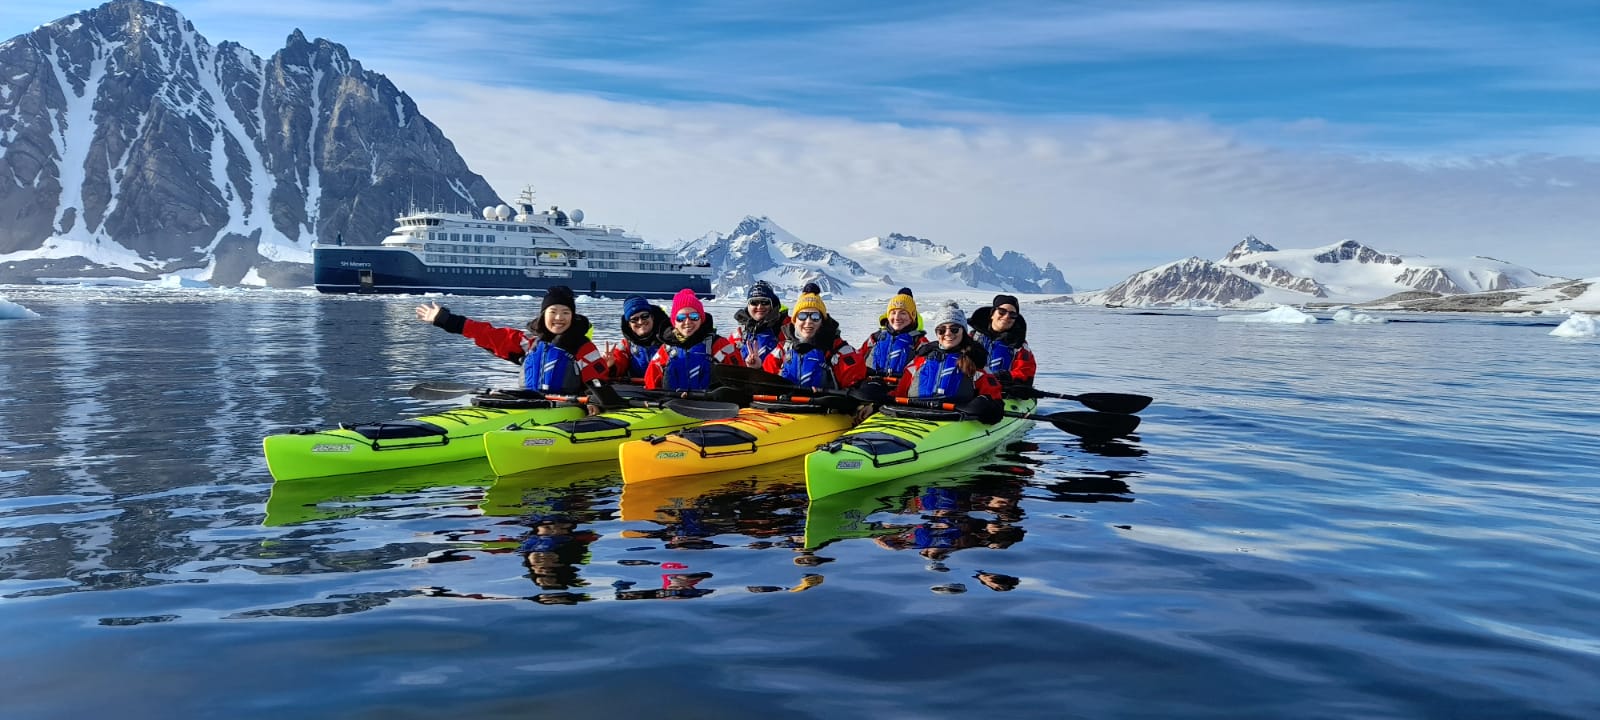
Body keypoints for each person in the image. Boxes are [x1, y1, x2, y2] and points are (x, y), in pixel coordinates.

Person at [415, 285, 607, 395]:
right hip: (531, 404)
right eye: (553, 312)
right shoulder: (529, 344)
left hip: (569, 407)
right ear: (543, 315)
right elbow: (487, 334)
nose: (559, 317)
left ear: (573, 316)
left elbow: (598, 381)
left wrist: (593, 402)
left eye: (566, 312)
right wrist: (445, 320)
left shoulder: (583, 347)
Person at [892, 301, 1003, 418]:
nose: (948, 334)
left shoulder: (975, 359)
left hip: (953, 418)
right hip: (915, 413)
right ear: (936, 333)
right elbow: (900, 391)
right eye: (942, 330)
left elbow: (994, 397)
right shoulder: (922, 358)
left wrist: (986, 405)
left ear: (963, 331)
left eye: (954, 329)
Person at [762, 291, 866, 390]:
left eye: (815, 316)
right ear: (794, 321)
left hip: (826, 406)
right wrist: (756, 368)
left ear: (822, 321)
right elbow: (767, 377)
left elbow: (856, 385)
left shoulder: (839, 350)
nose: (808, 321)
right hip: (786, 405)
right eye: (802, 316)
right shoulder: (783, 349)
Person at [643, 289, 742, 391]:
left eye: (694, 317)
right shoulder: (666, 349)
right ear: (674, 322)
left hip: (712, 404)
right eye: (681, 318)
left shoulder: (720, 345)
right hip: (673, 403)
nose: (687, 322)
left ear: (701, 319)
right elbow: (650, 382)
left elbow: (740, 378)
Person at [968, 293, 1037, 387]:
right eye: (1001, 311)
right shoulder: (972, 338)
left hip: (1004, 393)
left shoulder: (1019, 345)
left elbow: (1025, 372)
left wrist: (1007, 376)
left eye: (1012, 314)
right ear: (992, 314)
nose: (1006, 316)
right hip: (973, 390)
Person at [859, 289, 927, 381]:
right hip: (871, 386)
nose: (897, 317)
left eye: (903, 313)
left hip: (900, 390)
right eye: (893, 313)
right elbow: (858, 358)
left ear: (912, 317)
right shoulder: (876, 337)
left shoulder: (919, 342)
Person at [604, 295, 670, 381]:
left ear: (652, 317)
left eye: (644, 316)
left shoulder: (669, 341)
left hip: (664, 390)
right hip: (636, 391)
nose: (640, 321)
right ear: (629, 324)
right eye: (634, 319)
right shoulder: (626, 345)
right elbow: (619, 363)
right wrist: (611, 365)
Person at [728, 280, 788, 368]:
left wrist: (761, 368)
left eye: (765, 302)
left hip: (774, 380)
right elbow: (727, 362)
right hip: (742, 379)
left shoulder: (786, 328)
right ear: (748, 305)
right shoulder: (739, 334)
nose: (759, 307)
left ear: (772, 304)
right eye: (754, 302)